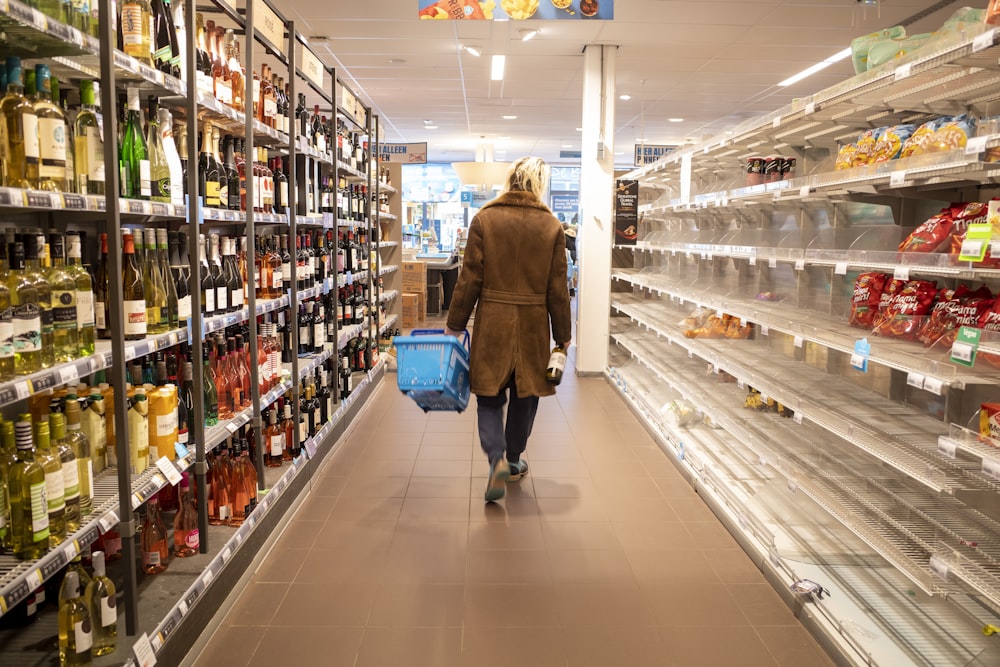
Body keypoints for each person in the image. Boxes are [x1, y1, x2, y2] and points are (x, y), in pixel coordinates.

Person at [445, 156, 573, 502]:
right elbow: (557, 289)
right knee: (526, 394)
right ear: (539, 184)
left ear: (510, 180)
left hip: (494, 321)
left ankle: (496, 460)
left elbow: (469, 279)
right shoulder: (551, 227)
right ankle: (514, 457)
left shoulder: (485, 219)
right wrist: (563, 335)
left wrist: (455, 324)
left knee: (489, 396)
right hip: (533, 324)